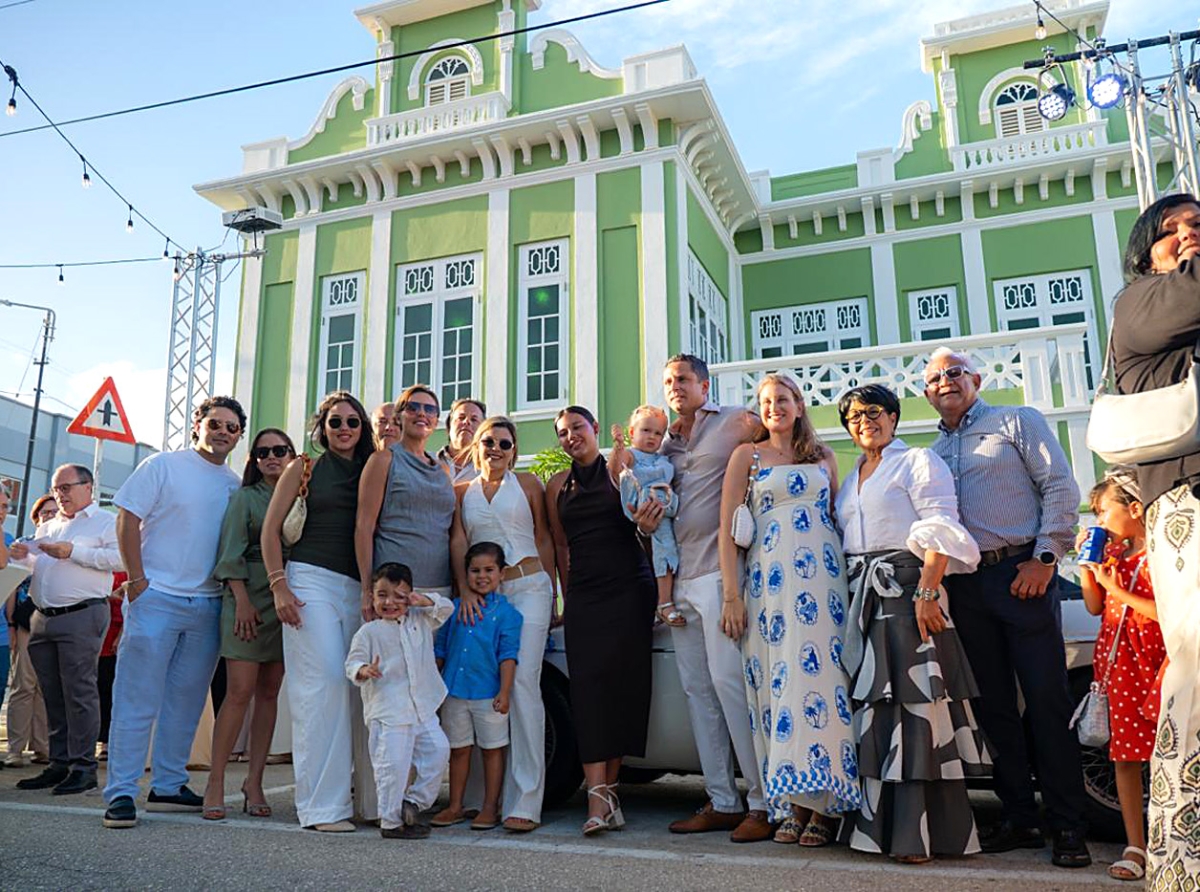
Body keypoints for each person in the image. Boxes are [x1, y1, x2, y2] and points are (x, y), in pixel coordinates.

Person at [925, 347, 1090, 867]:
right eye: (934, 378)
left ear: (974, 378)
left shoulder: (1016, 421)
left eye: (955, 372)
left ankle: (1068, 826)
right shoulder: (930, 451)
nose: (946, 382)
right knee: (994, 707)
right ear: (927, 393)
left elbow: (1061, 487)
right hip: (968, 588)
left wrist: (1044, 559)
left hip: (1023, 575)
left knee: (1047, 701)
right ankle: (1020, 817)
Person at [832, 384, 989, 863]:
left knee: (916, 712)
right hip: (863, 597)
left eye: (874, 412)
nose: (865, 422)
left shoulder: (917, 460)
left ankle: (921, 835)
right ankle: (874, 831)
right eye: (854, 417)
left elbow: (942, 525)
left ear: (895, 416)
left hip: (906, 593)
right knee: (876, 713)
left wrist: (926, 591)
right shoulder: (851, 475)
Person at [718, 374, 858, 847]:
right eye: (765, 402)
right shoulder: (747, 457)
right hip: (768, 591)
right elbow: (727, 532)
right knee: (780, 692)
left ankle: (823, 807)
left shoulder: (824, 458)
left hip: (823, 587)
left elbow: (839, 519)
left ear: (799, 405)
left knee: (820, 684)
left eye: (783, 399)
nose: (774, 406)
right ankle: (792, 803)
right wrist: (732, 597)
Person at [1109, 192, 1200, 886]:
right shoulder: (1142, 301)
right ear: (1148, 251)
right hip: (1187, 506)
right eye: (1179, 230)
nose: (1194, 236)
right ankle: (1183, 861)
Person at [102, 396, 245, 830]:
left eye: (232, 428)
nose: (223, 432)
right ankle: (121, 793)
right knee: (136, 699)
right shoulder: (162, 465)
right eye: (216, 423)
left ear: (238, 436)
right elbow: (127, 518)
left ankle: (167, 785)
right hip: (156, 598)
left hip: (206, 605)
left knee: (185, 703)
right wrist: (138, 581)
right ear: (197, 424)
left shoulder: (234, 484)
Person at [658, 354, 770, 842]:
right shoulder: (664, 442)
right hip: (678, 580)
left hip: (720, 575)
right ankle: (724, 801)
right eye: (668, 381)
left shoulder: (737, 422)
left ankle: (764, 804)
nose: (675, 387)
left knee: (730, 687)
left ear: (704, 384)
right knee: (698, 694)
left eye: (683, 379)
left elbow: (792, 444)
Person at [262, 391, 377, 832]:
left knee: (361, 691)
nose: (344, 429)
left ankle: (370, 802)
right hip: (310, 581)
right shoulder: (302, 468)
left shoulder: (373, 466)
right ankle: (322, 809)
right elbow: (271, 532)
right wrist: (280, 588)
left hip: (361, 588)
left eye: (352, 422)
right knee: (324, 687)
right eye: (335, 422)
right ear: (322, 429)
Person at [545, 406, 655, 835]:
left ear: (594, 429)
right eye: (563, 433)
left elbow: (648, 527)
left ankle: (608, 792)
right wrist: (565, 599)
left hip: (631, 587)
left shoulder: (623, 466)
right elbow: (559, 546)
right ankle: (597, 797)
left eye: (577, 428)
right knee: (589, 692)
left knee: (623, 688)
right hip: (585, 596)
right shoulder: (557, 484)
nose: (571, 436)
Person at [448, 417, 556, 832]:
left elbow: (545, 539)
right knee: (483, 686)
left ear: (515, 449)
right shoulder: (462, 492)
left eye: (504, 443)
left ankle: (526, 799)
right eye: (488, 441)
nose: (496, 448)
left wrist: (554, 592)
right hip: (484, 597)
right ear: (476, 446)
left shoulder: (528, 485)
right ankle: (480, 799)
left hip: (529, 589)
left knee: (523, 683)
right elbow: (458, 541)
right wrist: (465, 591)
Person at [8, 465, 121, 796]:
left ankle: (83, 767)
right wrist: (24, 555)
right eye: (57, 489)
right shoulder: (49, 524)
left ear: (88, 487)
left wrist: (75, 552)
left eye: (67, 488)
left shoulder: (105, 522)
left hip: (82, 614)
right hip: (43, 616)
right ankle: (58, 763)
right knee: (52, 694)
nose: (61, 494)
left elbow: (121, 560)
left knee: (79, 693)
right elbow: (41, 565)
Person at [202, 428, 297, 820]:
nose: (271, 457)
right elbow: (229, 553)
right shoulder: (245, 497)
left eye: (279, 450)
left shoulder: (300, 495)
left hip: (287, 597)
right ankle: (215, 780)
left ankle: (254, 781)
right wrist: (241, 600)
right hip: (248, 597)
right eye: (262, 452)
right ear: (253, 460)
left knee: (271, 693)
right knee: (239, 691)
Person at [1077, 467, 1166, 882]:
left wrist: (1117, 589)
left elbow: (1165, 613)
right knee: (1126, 756)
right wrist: (1088, 567)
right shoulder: (1114, 557)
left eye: (1102, 512)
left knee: (1171, 751)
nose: (1098, 522)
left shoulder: (1164, 555)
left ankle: (1174, 838)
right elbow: (1095, 607)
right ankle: (1136, 845)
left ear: (1135, 508)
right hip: (1121, 666)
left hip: (1160, 661)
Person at [345, 562, 453, 840]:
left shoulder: (420, 619)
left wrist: (423, 600)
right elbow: (352, 661)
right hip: (389, 711)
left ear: (410, 596)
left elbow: (446, 608)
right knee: (391, 766)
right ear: (372, 597)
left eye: (399, 595)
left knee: (439, 751)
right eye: (382, 595)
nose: (390, 602)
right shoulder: (369, 632)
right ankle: (391, 822)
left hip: (422, 707)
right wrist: (364, 669)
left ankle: (412, 803)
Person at [432, 542, 522, 831]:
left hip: (489, 694)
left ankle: (489, 807)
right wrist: (433, 689)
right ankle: (456, 805)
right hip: (455, 691)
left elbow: (508, 656)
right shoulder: (454, 609)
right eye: (474, 570)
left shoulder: (509, 615)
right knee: (458, 749)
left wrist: (505, 692)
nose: (481, 576)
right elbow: (441, 650)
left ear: (501, 574)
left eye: (488, 570)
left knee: (492, 750)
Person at [356, 385, 456, 599]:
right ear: (399, 417)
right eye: (413, 407)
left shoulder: (443, 468)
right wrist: (367, 589)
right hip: (394, 590)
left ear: (436, 420)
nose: (422, 413)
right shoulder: (384, 460)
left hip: (439, 590)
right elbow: (364, 527)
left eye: (430, 410)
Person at [611, 406, 681, 626]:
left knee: (668, 552)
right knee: (664, 550)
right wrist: (619, 445)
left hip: (664, 505)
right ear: (633, 433)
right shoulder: (632, 455)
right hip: (644, 505)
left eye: (658, 433)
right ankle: (664, 602)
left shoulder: (661, 458)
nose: (652, 437)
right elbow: (616, 468)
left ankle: (665, 601)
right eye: (646, 430)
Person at [4, 494, 53, 768]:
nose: (49, 515)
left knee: (47, 688)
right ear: (36, 516)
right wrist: (11, 624)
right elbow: (11, 585)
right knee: (24, 685)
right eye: (44, 512)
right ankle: (14, 749)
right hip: (26, 621)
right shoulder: (22, 545)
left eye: (53, 511)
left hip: (55, 622)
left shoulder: (64, 546)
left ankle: (42, 747)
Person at [97, 571, 125, 762]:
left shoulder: (128, 570)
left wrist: (121, 634)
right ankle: (102, 741)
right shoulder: (97, 569)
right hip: (98, 637)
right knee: (100, 692)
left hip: (118, 637)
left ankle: (113, 742)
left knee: (115, 692)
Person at [437, 398, 486, 483]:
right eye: (461, 417)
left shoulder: (487, 471)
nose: (467, 422)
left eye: (474, 419)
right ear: (448, 428)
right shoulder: (428, 463)